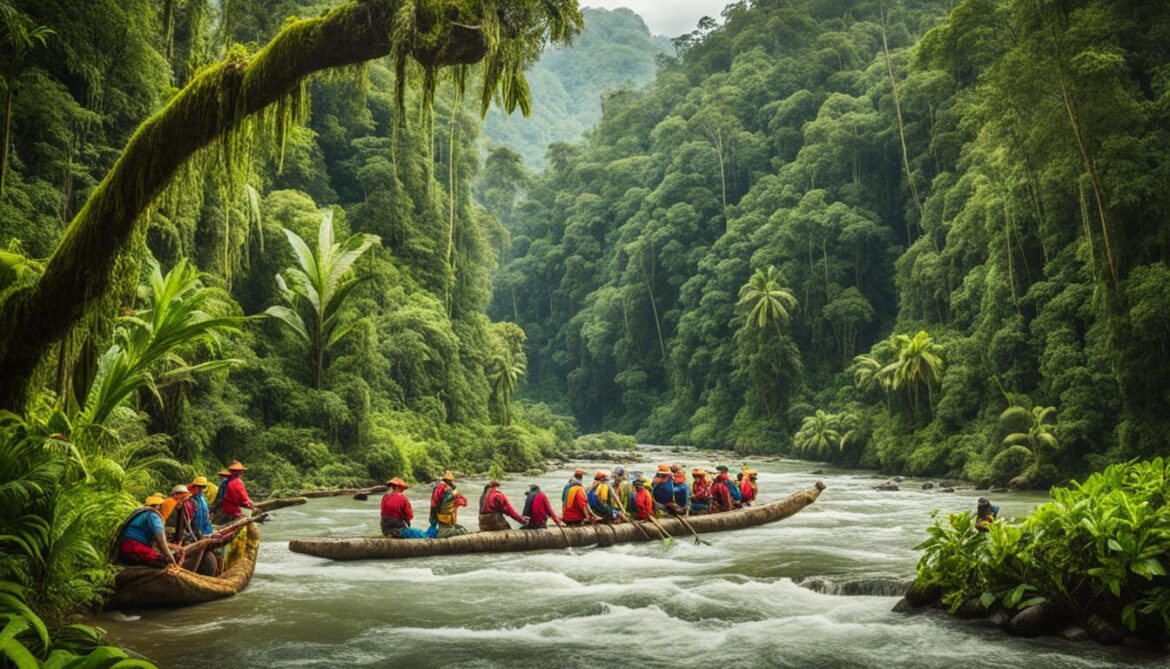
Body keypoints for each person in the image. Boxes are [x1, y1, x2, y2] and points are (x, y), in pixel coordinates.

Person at [115, 494, 178, 569]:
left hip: (125, 544)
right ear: (157, 506)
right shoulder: (154, 516)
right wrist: (174, 563)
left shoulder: (140, 512)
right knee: (163, 562)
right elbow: (162, 545)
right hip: (134, 546)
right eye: (161, 505)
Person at [430, 471, 469, 538]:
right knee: (446, 530)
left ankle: (459, 532)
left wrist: (433, 518)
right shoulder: (452, 490)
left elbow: (434, 504)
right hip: (449, 516)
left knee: (442, 532)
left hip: (442, 515)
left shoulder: (439, 487)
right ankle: (460, 532)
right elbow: (464, 502)